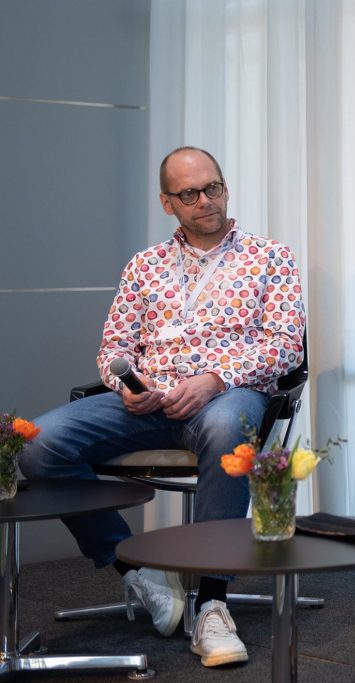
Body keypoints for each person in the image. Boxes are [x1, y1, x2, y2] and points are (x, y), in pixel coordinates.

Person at [20, 146, 306, 668]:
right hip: (147, 403)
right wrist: (127, 382)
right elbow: (114, 349)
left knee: (224, 427)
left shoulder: (271, 258)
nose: (205, 201)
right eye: (189, 193)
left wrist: (214, 378)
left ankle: (212, 602)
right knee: (39, 445)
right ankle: (136, 569)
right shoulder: (145, 266)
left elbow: (286, 344)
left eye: (212, 187)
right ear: (167, 202)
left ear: (225, 187)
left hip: (226, 394)